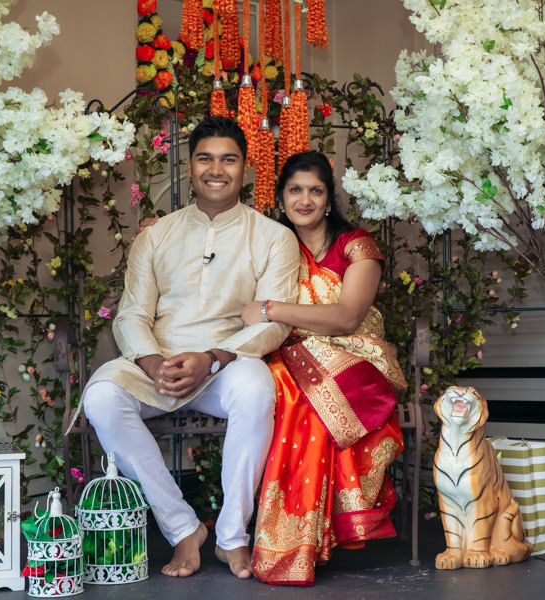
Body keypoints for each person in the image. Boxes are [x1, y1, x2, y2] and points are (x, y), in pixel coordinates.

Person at [79, 116, 300, 580]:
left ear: (246, 169)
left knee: (256, 388)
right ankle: (183, 528)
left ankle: (232, 536)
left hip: (226, 363)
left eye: (228, 159)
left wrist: (212, 358)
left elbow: (274, 320)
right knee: (101, 396)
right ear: (189, 166)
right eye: (205, 158)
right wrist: (153, 362)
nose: (216, 169)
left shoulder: (274, 238)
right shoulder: (155, 236)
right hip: (159, 363)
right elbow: (132, 314)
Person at [241, 151, 407, 586]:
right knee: (280, 386)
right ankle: (299, 538)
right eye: (295, 190)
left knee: (305, 396)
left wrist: (272, 309)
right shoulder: (272, 244)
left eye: (315, 190)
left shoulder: (356, 245)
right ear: (281, 197)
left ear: (329, 199)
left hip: (354, 354)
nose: (305, 199)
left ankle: (301, 542)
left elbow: (348, 317)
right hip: (289, 351)